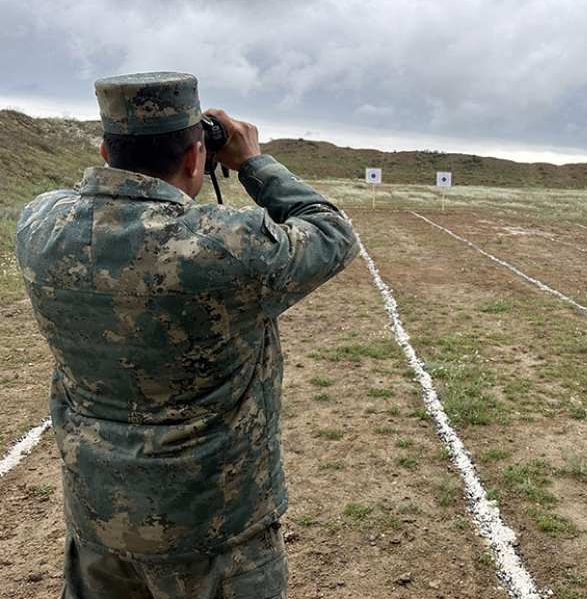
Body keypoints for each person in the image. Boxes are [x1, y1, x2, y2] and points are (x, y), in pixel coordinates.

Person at [15, 72, 358, 599]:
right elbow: (332, 231)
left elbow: (93, 199)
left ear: (107, 148)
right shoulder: (225, 246)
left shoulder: (39, 225)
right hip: (214, 532)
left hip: (98, 520)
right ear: (198, 158)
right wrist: (252, 162)